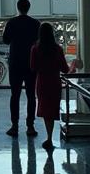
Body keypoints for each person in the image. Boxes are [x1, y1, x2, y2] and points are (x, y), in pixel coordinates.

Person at [2, 0, 41, 137]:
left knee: (15, 95)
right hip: (31, 63)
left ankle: (14, 126)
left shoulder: (12, 22)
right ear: (29, 8)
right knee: (31, 95)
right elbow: (39, 41)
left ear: (18, 8)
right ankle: (30, 126)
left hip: (15, 62)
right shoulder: (36, 23)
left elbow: (5, 40)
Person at [30, 22, 70, 152]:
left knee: (45, 108)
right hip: (54, 81)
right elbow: (65, 69)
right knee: (52, 109)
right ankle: (50, 136)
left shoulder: (35, 48)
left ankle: (48, 137)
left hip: (42, 81)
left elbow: (33, 67)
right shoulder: (57, 49)